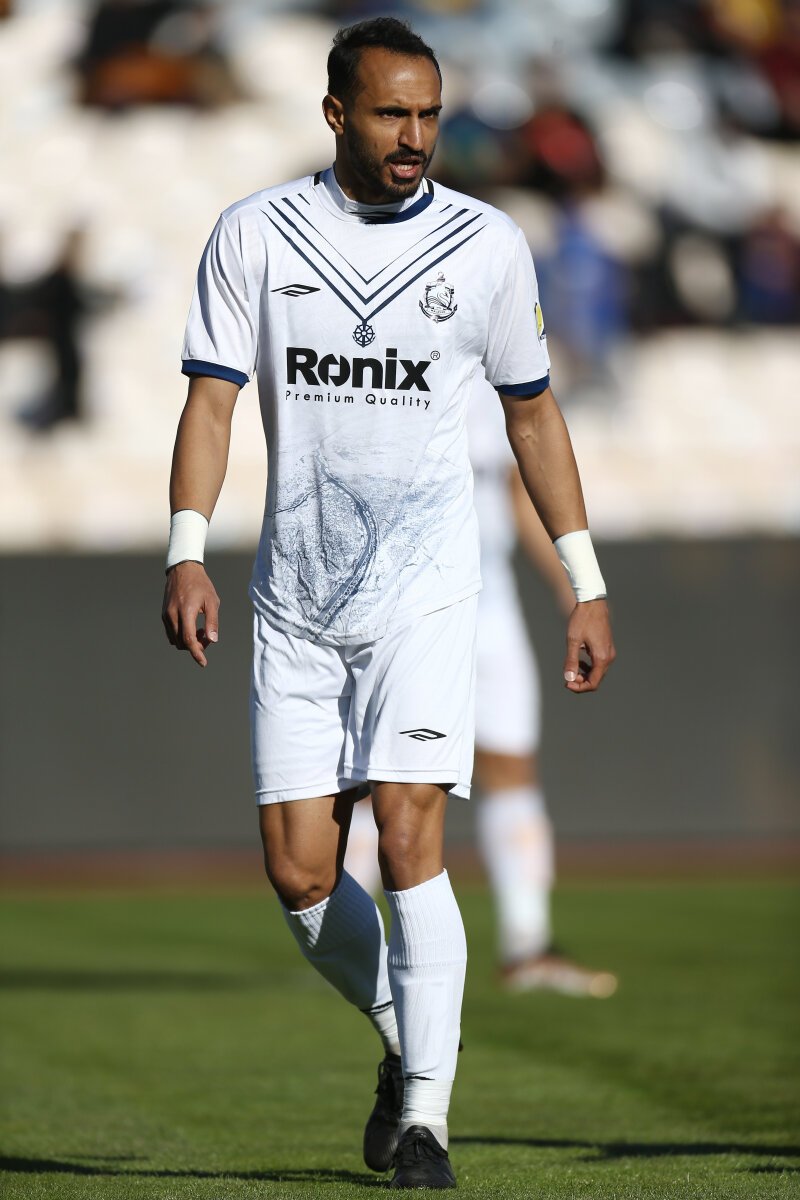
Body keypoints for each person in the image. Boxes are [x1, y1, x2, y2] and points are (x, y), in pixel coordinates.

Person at [161, 17, 615, 1189]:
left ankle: (425, 1120)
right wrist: (186, 550)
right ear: (334, 114)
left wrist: (584, 580)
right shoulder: (255, 233)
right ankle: (402, 1040)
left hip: (427, 594)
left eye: (427, 114)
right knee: (303, 878)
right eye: (389, 114)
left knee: (410, 830)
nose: (415, 136)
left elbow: (531, 416)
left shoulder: (485, 244)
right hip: (295, 603)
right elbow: (211, 402)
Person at [346, 377, 618, 997]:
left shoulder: (496, 381)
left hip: (489, 602)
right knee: (381, 775)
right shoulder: (397, 364)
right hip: (408, 600)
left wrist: (574, 587)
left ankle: (528, 944)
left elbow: (518, 486)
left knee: (511, 764)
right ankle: (351, 938)